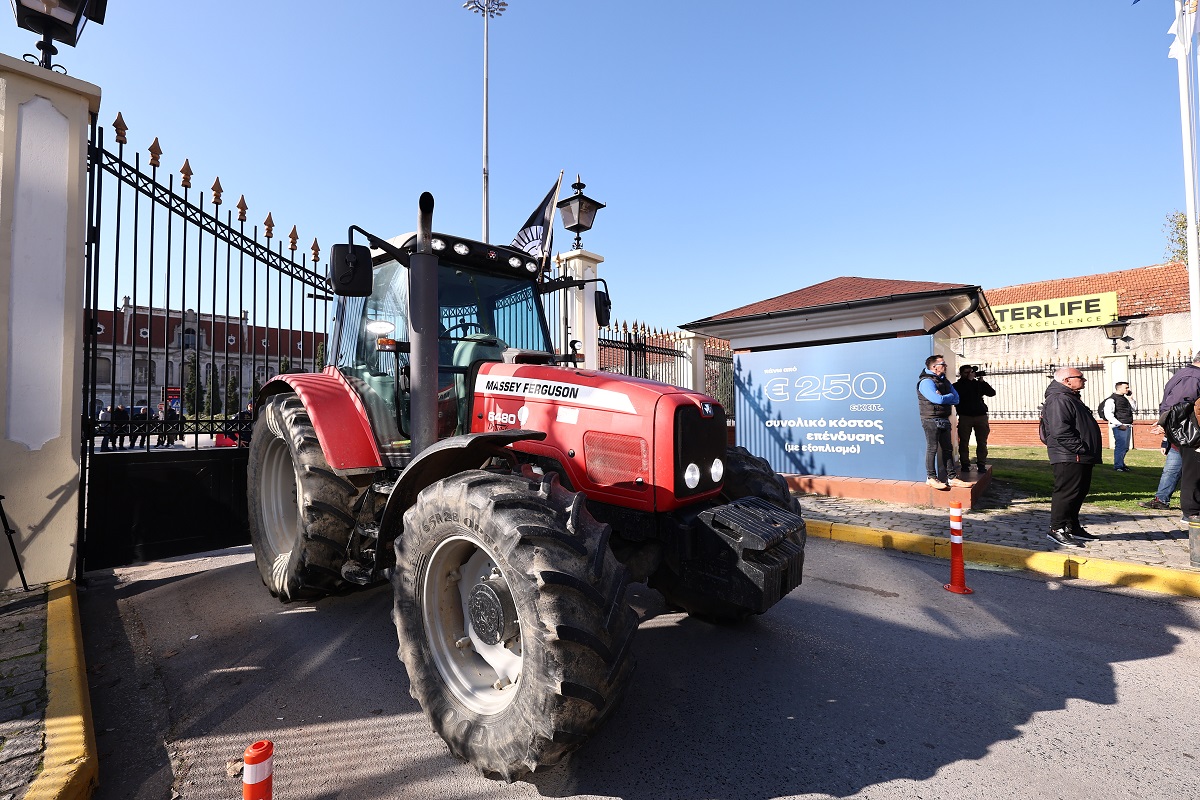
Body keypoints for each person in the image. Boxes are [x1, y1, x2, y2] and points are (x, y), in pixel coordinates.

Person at [1039, 367, 1101, 547]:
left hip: (1079, 455)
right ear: (1067, 380)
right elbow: (1060, 430)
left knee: (1079, 491)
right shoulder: (1059, 398)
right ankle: (1056, 528)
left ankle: (1072, 526)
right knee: (1067, 492)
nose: (1084, 380)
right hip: (1069, 455)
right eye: (1080, 377)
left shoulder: (1070, 397)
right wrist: (1080, 448)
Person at [1156, 353, 1200, 524]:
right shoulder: (1192, 376)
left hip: (1188, 430)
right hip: (1190, 433)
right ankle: (1192, 512)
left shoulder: (1190, 375)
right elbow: (1177, 406)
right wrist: (1167, 428)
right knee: (1193, 472)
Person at [917, 355, 968, 490]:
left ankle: (952, 478)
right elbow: (937, 400)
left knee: (947, 449)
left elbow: (956, 399)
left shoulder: (944, 381)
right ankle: (931, 478)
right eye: (943, 364)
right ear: (934, 367)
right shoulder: (926, 382)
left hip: (944, 418)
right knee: (932, 448)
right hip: (931, 420)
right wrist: (947, 397)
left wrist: (946, 397)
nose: (946, 367)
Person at [952, 365, 996, 474]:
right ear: (961, 373)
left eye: (970, 372)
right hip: (965, 416)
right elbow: (962, 394)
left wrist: (982, 382)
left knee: (982, 442)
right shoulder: (957, 386)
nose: (969, 374)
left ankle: (981, 464)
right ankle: (965, 464)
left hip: (980, 416)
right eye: (966, 372)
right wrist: (969, 381)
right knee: (964, 442)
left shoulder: (977, 384)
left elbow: (991, 393)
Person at [1139, 427, 1180, 510]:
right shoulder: (1172, 414)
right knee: (1169, 472)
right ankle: (1161, 500)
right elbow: (1169, 425)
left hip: (1194, 445)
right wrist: (1165, 442)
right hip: (1177, 446)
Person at [1098, 382, 1136, 472]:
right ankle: (1118, 466)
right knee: (1120, 446)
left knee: (1125, 447)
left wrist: (1131, 398)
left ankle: (1121, 464)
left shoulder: (1124, 399)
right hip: (1119, 426)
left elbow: (1133, 409)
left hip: (1127, 425)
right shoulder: (1111, 399)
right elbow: (1108, 414)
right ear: (1119, 388)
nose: (1128, 389)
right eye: (1126, 388)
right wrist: (1119, 424)